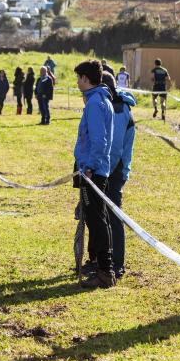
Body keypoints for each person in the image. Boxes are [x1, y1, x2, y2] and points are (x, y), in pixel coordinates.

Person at [84, 72, 135, 281]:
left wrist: (99, 173)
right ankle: (97, 260)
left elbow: (113, 148)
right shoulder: (106, 105)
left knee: (112, 216)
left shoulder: (118, 109)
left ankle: (117, 263)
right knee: (96, 215)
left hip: (112, 170)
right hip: (103, 168)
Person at [73, 60, 115, 289]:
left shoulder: (95, 103)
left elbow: (99, 141)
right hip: (94, 169)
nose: (77, 81)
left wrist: (89, 167)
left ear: (86, 79)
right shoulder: (99, 100)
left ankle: (105, 270)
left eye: (78, 77)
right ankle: (103, 267)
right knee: (97, 218)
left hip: (93, 171)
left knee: (97, 221)